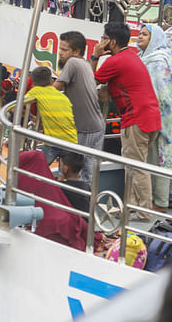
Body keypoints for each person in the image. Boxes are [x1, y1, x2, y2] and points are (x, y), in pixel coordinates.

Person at [92, 22, 161, 220]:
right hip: (148, 116)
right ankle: (131, 207)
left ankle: (144, 213)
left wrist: (95, 55)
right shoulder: (130, 55)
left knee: (138, 167)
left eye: (103, 39)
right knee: (133, 165)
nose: (101, 42)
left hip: (137, 119)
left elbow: (90, 81)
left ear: (111, 42)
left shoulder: (115, 61)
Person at [54, 30, 105, 182]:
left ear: (76, 52)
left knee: (81, 169)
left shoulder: (72, 62)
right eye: (60, 49)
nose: (60, 53)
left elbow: (56, 87)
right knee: (89, 170)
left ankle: (80, 202)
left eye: (64, 50)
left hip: (86, 128)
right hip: (97, 125)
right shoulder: (84, 64)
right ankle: (88, 201)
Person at [136, 23, 172, 211]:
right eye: (140, 34)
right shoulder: (146, 58)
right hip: (151, 115)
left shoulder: (158, 61)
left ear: (155, 39)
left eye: (145, 35)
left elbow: (164, 93)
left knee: (159, 158)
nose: (140, 37)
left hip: (160, 117)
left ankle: (160, 202)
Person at [26, 66, 78, 165]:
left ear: (33, 82)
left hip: (53, 142)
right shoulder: (62, 96)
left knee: (39, 170)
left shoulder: (35, 91)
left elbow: (20, 106)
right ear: (51, 80)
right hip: (71, 140)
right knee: (66, 174)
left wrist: (32, 117)